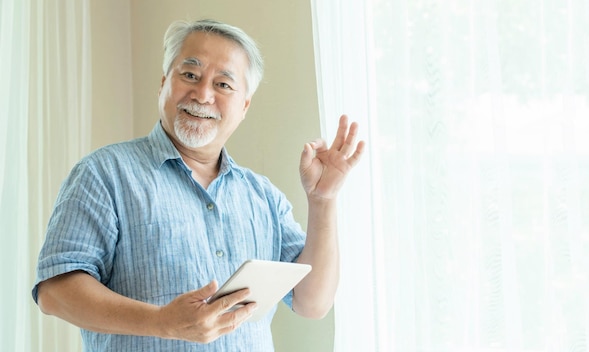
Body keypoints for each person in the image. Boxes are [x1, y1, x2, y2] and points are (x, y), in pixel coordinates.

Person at [32, 18, 364, 351]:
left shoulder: (262, 196)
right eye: (190, 75)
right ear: (163, 83)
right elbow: (55, 293)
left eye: (223, 84)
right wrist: (162, 322)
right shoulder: (104, 174)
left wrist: (323, 200)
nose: (203, 94)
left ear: (244, 105)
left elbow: (312, 303)